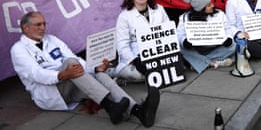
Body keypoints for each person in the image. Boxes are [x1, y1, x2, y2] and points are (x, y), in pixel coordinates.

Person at [10, 11, 160, 127]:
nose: (43, 28)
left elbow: (77, 60)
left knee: (99, 75)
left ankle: (138, 112)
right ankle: (109, 106)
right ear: (25, 27)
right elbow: (35, 74)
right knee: (71, 63)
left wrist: (95, 68)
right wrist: (62, 74)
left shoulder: (52, 39)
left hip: (71, 82)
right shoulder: (19, 49)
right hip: (50, 92)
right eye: (38, 25)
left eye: (44, 24)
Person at [115, 0, 170, 82]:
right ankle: (113, 72)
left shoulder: (159, 10)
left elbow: (168, 33)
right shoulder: (124, 16)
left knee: (173, 69)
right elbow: (122, 45)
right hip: (136, 56)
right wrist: (135, 61)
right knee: (139, 75)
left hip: (158, 53)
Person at [176, 0, 235, 74]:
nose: (213, 6)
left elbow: (228, 29)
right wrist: (184, 41)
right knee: (180, 48)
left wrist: (228, 38)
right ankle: (213, 63)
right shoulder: (184, 17)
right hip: (195, 49)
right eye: (209, 5)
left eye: (211, 3)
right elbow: (179, 35)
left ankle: (198, 62)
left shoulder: (220, 14)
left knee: (233, 46)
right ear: (201, 8)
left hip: (215, 48)